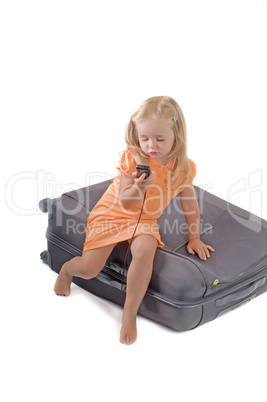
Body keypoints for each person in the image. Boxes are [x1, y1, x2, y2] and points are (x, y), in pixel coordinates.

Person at [54, 95, 214, 345]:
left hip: (145, 219)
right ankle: (66, 270)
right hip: (114, 212)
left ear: (177, 136)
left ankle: (129, 312)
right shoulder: (133, 158)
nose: (151, 145)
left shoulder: (183, 168)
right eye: (145, 138)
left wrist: (194, 237)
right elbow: (127, 203)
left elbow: (189, 204)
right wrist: (139, 188)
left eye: (160, 139)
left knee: (145, 247)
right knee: (89, 268)